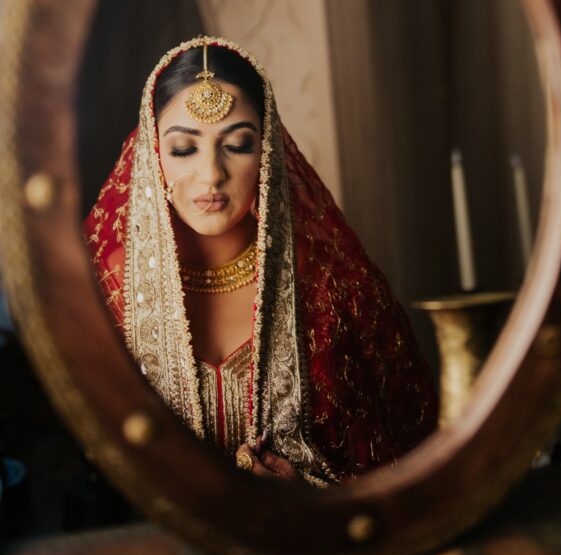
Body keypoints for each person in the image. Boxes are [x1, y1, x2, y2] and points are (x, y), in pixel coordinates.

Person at [84, 37, 437, 485]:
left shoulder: (327, 285)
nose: (212, 174)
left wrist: (301, 495)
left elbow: (399, 468)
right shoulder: (108, 290)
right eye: (184, 149)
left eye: (237, 145)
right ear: (152, 156)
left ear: (267, 151)